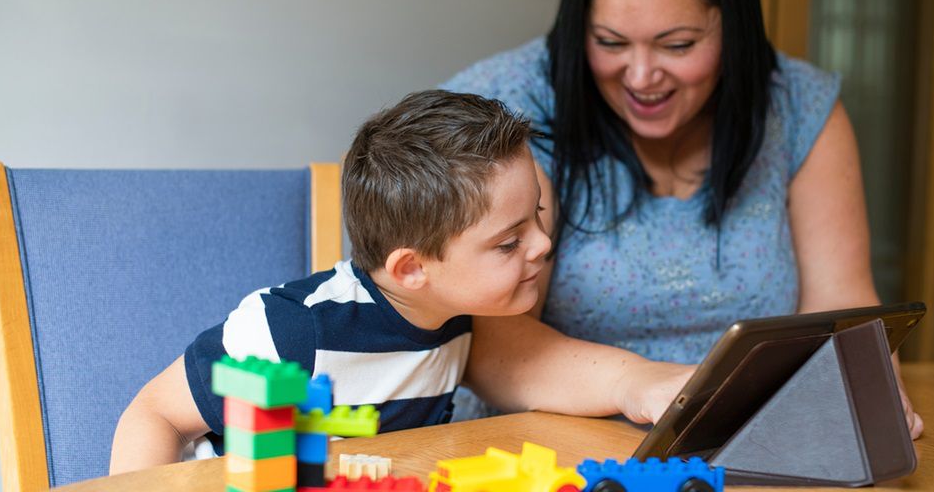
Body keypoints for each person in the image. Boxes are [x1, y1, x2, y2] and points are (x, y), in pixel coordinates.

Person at [443, 0, 923, 438]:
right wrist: (645, 385)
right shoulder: (507, 113)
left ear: (731, 22)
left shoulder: (800, 107)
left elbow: (842, 303)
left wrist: (867, 386)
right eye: (611, 42)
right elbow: (489, 344)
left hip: (745, 438)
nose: (642, 78)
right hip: (539, 445)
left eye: (677, 45)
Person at [109, 90, 688, 475]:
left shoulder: (456, 313)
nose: (542, 244)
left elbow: (540, 365)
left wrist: (641, 383)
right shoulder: (289, 331)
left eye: (537, 214)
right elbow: (155, 413)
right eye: (509, 242)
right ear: (412, 269)